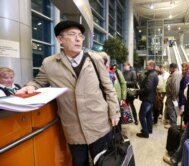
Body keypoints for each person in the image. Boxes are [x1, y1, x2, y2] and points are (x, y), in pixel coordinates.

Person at [16, 20, 120, 166]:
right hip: (73, 127)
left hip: (99, 123)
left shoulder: (95, 59)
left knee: (104, 161)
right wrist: (29, 87)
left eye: (80, 35)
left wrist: (115, 112)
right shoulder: (49, 63)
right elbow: (38, 82)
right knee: (79, 162)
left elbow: (108, 87)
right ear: (60, 39)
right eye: (72, 34)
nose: (78, 39)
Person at [136, 60, 158, 138]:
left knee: (141, 115)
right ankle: (149, 129)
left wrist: (138, 91)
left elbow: (148, 88)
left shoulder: (151, 75)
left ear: (151, 66)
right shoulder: (154, 74)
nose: (146, 66)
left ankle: (145, 133)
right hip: (151, 98)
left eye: (147, 65)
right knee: (148, 115)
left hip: (147, 98)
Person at [164, 63, 182, 128]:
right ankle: (173, 124)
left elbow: (176, 86)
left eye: (169, 68)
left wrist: (174, 97)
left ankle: (173, 126)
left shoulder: (176, 74)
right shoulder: (173, 74)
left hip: (173, 97)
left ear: (172, 68)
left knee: (172, 111)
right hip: (172, 96)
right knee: (172, 111)